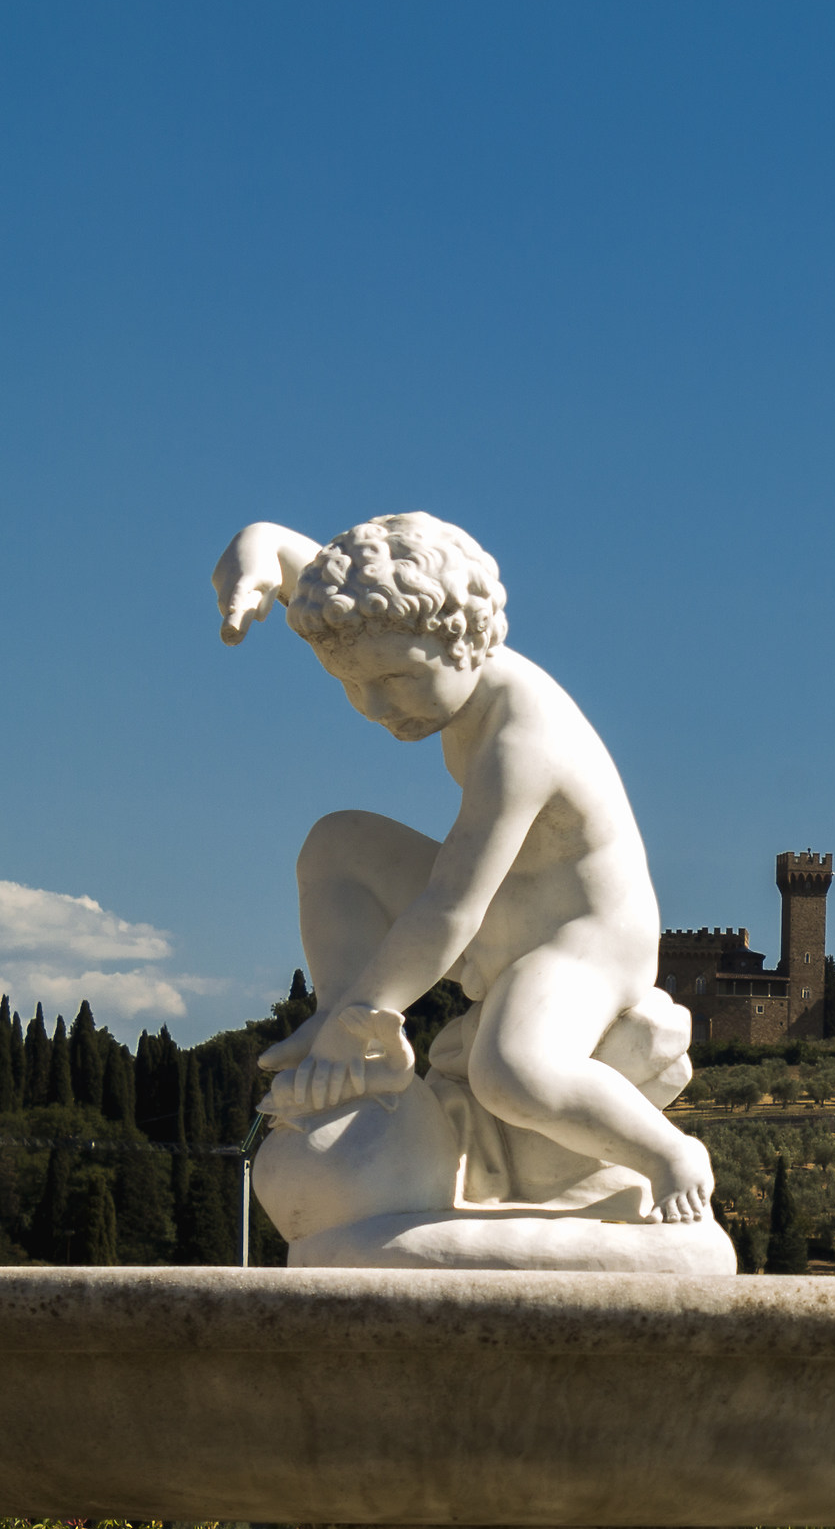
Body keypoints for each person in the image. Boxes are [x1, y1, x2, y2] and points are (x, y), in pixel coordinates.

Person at [213, 514, 714, 1224]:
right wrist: (257, 546)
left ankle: (668, 1155)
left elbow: (451, 905)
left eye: (395, 678)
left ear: (465, 639)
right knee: (336, 845)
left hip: (583, 940)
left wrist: (369, 1018)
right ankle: (342, 1016)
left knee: (514, 1074)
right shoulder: (428, 646)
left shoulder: (523, 736)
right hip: (507, 911)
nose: (376, 707)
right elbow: (310, 565)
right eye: (350, 683)